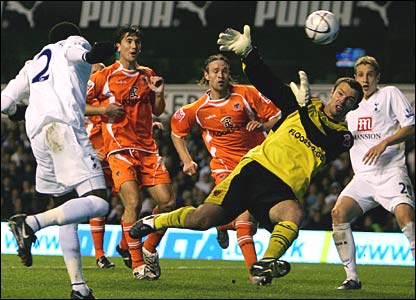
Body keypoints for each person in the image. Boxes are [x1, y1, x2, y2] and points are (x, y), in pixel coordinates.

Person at [129, 24, 364, 286]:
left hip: (284, 186)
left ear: (355, 106)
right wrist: (249, 53)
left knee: (293, 215)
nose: (343, 101)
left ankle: (264, 264)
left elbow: (320, 139)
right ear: (333, 92)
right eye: (341, 93)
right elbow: (267, 81)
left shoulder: (343, 137)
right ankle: (156, 220)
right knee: (202, 219)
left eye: (350, 100)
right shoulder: (299, 104)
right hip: (255, 169)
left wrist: (303, 108)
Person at [1, 22, 115, 299]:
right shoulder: (72, 42)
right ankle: (31, 224)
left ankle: (79, 288)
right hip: (64, 128)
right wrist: (92, 55)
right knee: (98, 200)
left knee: (67, 212)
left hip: (38, 136)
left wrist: (19, 111)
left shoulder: (32, 63)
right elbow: (76, 52)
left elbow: (5, 104)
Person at [170, 53, 281, 281]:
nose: (220, 75)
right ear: (206, 76)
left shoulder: (247, 94)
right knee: (245, 220)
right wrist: (187, 160)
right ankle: (255, 274)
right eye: (215, 71)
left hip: (256, 162)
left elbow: (278, 116)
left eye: (224, 71)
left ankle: (221, 224)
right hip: (224, 167)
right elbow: (177, 132)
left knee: (250, 223)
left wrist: (263, 124)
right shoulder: (198, 109)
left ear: (230, 74)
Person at [86, 24, 176, 280]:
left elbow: (158, 110)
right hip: (119, 149)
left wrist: (159, 94)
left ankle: (144, 247)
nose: (134, 46)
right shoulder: (104, 77)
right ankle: (138, 265)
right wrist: (103, 111)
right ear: (118, 46)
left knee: (167, 203)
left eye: (137, 42)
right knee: (133, 202)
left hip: (147, 149)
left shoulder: (148, 74)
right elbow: (77, 105)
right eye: (129, 41)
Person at [331, 56, 415, 290]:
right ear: (355, 78)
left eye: (370, 75)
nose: (365, 79)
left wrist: (385, 143)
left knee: (405, 217)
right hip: (363, 178)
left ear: (378, 77)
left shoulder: (389, 94)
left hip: (391, 172)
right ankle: (352, 278)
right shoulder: (350, 108)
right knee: (338, 213)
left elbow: (411, 126)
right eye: (360, 75)